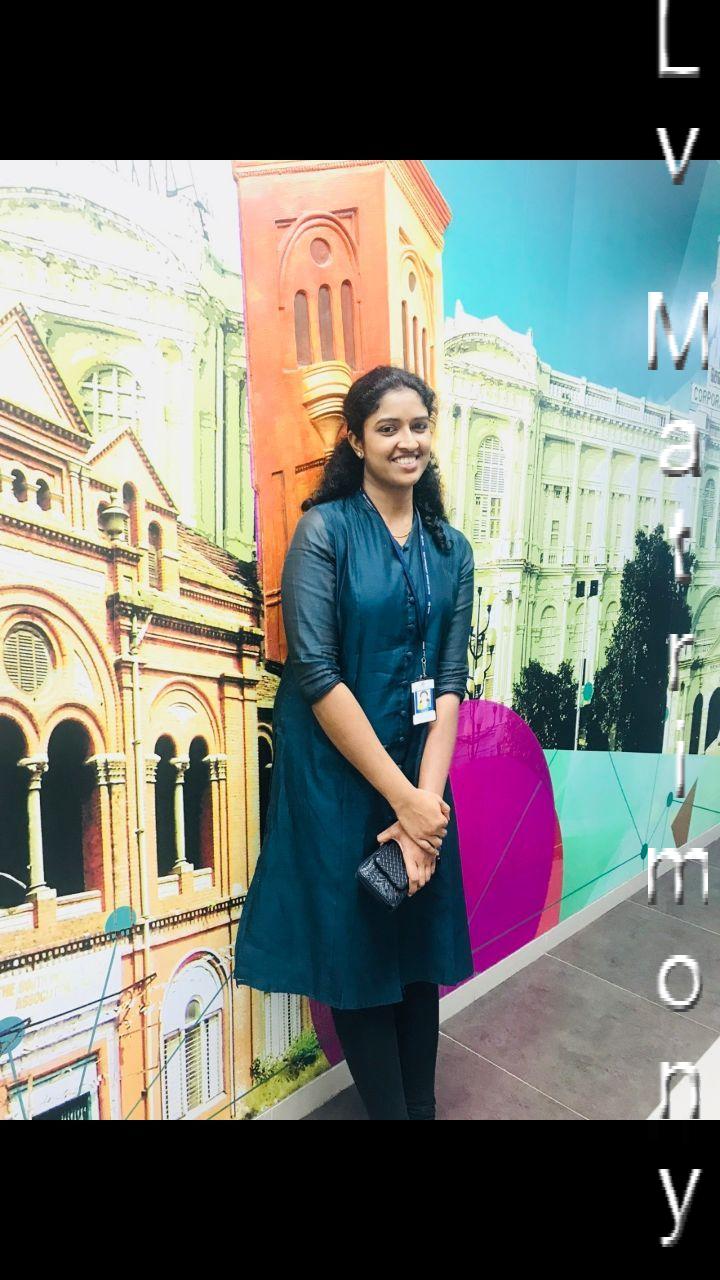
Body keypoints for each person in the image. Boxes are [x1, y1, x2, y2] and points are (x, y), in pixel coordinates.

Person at [234, 365, 475, 1120]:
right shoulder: (325, 532)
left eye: (418, 426)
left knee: (416, 951)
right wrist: (406, 803)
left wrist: (425, 807)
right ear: (356, 439)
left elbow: (449, 681)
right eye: (388, 428)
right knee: (359, 947)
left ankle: (420, 1109)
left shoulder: (450, 548)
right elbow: (316, 673)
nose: (407, 442)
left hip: (419, 771)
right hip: (337, 781)